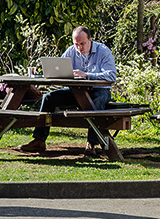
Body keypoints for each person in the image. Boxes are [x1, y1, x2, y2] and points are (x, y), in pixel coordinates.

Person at [18, 26, 116, 157]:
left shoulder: (103, 51)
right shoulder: (71, 51)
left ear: (90, 40)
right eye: (76, 44)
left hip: (99, 91)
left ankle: (91, 144)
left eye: (82, 44)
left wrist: (87, 75)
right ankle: (39, 140)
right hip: (76, 92)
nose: (79, 47)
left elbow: (111, 75)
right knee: (48, 98)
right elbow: (60, 69)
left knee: (95, 102)